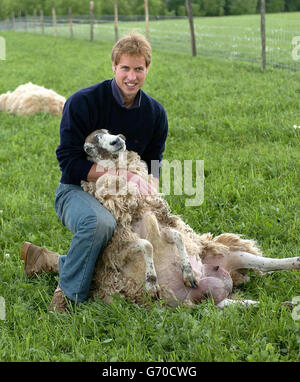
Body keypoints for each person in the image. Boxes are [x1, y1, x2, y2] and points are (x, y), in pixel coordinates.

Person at [20, 32, 168, 313]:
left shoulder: (155, 114)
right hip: (76, 190)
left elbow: (154, 162)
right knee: (99, 224)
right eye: (125, 68)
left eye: (139, 69)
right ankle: (68, 296)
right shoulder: (83, 103)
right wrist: (121, 177)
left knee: (146, 234)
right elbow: (68, 161)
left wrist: (150, 192)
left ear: (147, 68)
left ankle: (49, 261)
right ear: (113, 66)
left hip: (125, 196)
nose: (131, 77)